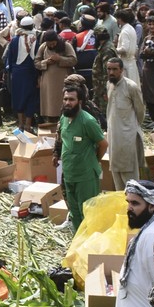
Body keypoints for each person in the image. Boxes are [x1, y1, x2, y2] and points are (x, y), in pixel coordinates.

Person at [58, 83, 107, 232]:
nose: (67, 102)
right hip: (69, 174)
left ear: (79, 102)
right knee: (75, 213)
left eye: (71, 99)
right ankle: (78, 244)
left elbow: (103, 144)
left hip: (85, 175)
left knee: (88, 213)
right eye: (65, 99)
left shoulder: (88, 121)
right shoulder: (64, 118)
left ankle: (90, 246)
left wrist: (93, 161)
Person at [103, 57, 145, 190]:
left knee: (130, 181)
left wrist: (129, 128)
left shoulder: (131, 87)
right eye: (109, 69)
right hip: (113, 138)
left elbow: (140, 113)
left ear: (121, 70)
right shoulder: (109, 84)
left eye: (115, 69)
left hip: (127, 138)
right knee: (116, 176)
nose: (111, 72)